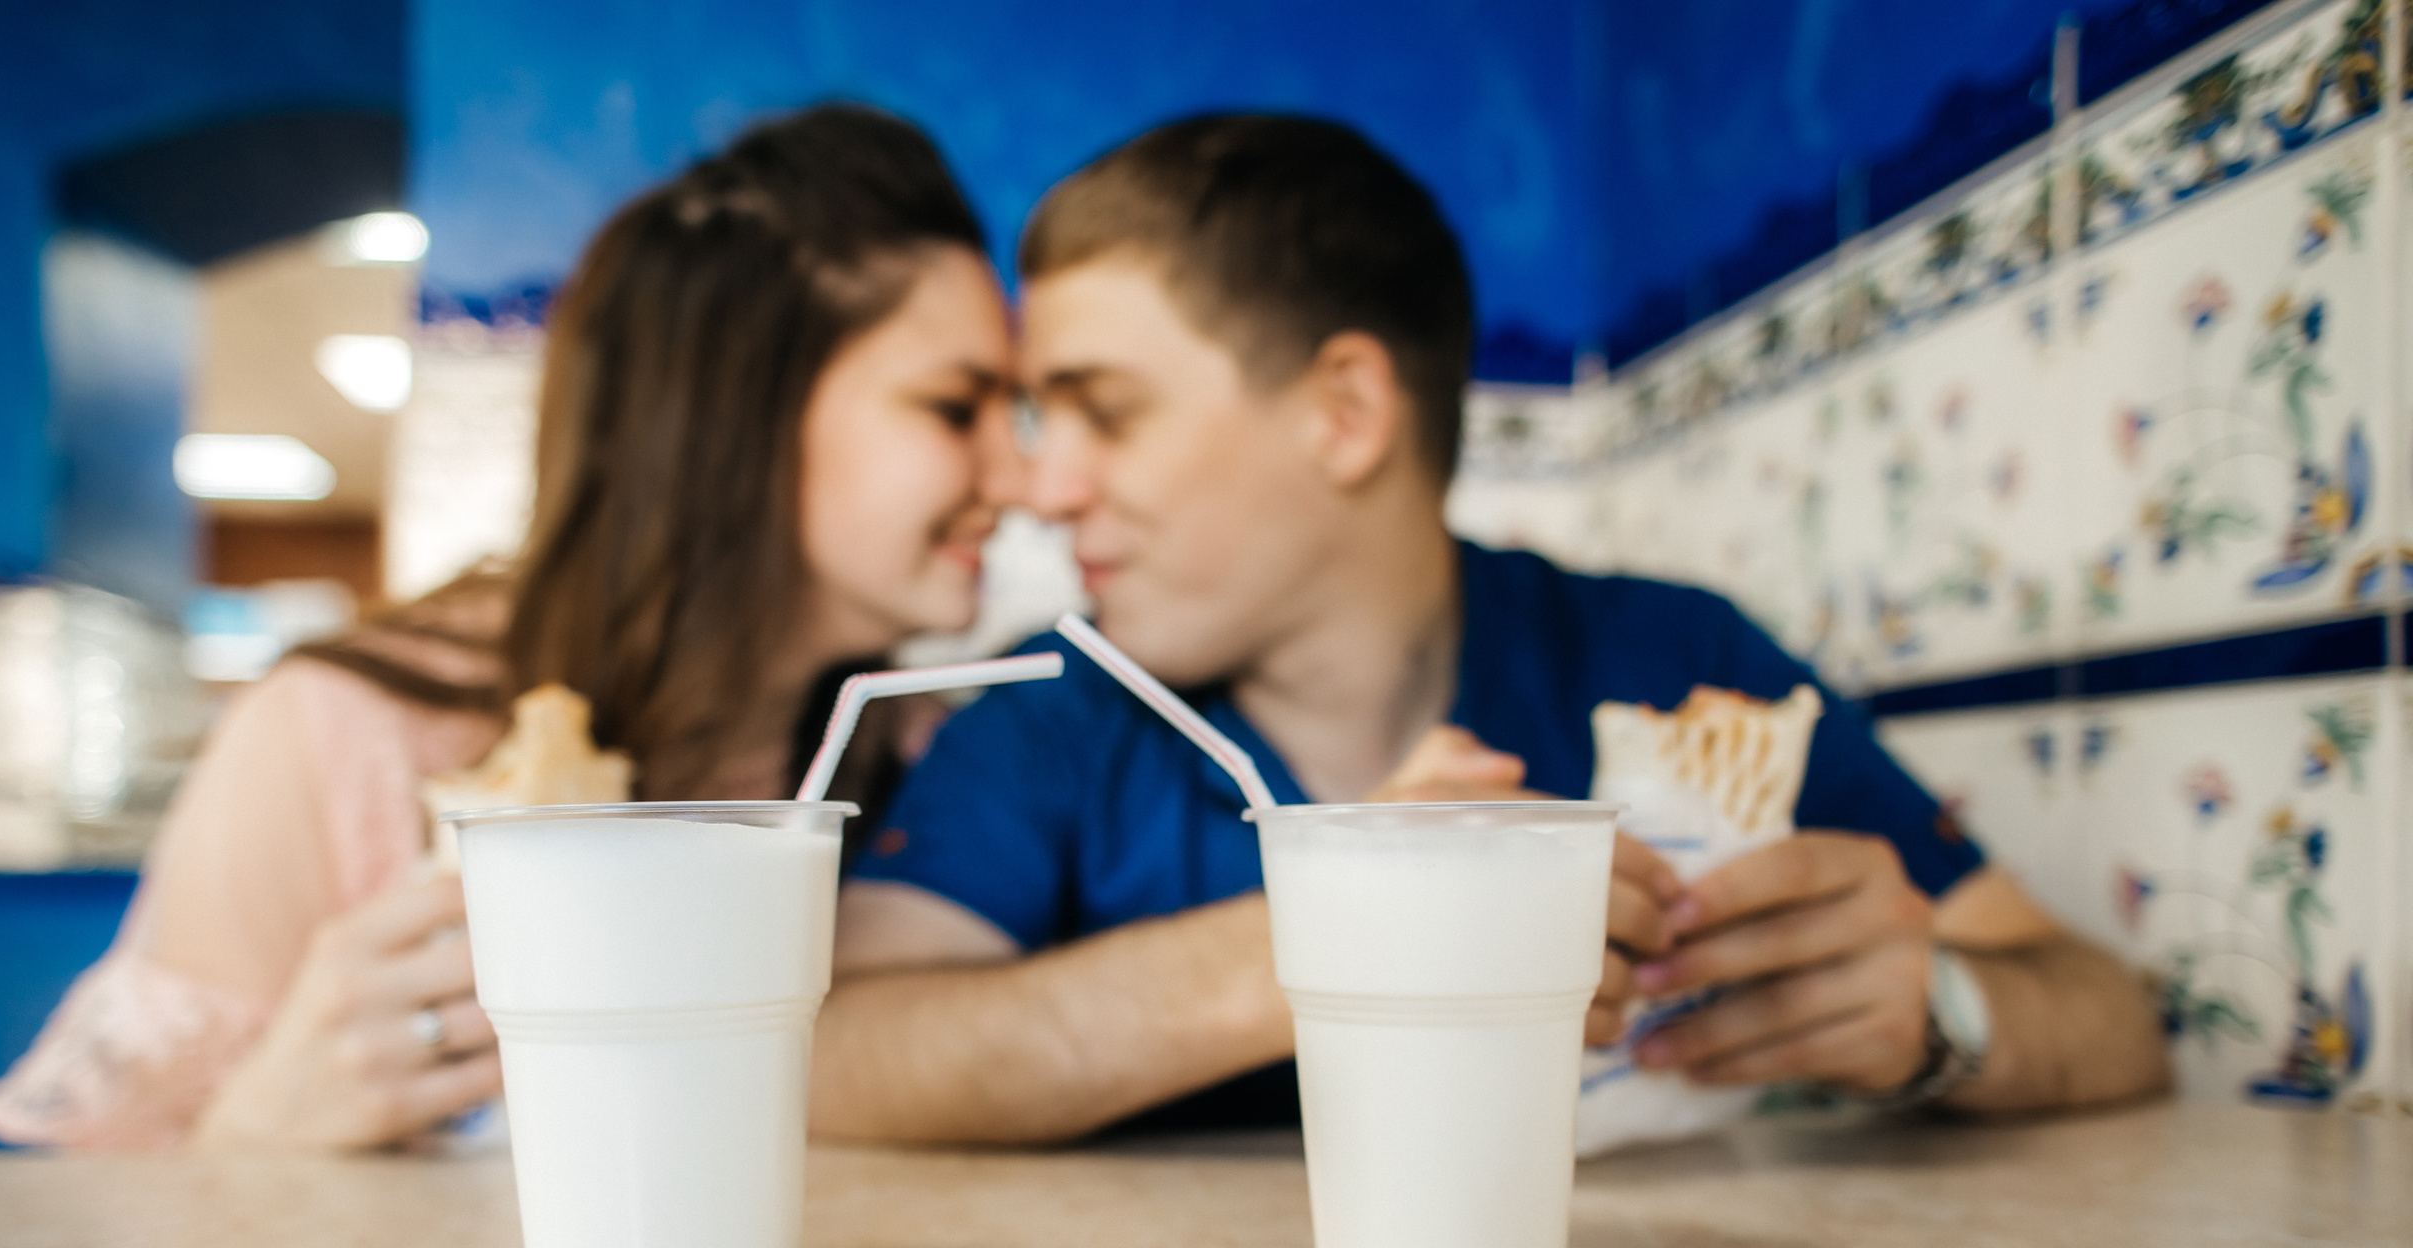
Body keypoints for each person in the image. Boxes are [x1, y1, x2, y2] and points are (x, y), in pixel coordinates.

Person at [810, 113, 2169, 1146]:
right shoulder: (1055, 712)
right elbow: (832, 1055)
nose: (1044, 488)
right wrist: (1335, 937)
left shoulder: (1680, 660)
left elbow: (2111, 1019)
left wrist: (1940, 1014)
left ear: (1344, 412)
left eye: (1102, 409)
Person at [0, 104, 1024, 1152]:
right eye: (953, 406)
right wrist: (257, 1132)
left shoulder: (930, 760)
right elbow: (87, 1238)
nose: (1019, 476)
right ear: (736, 414)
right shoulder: (341, 735)